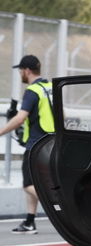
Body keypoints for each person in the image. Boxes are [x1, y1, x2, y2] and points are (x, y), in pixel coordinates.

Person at [0, 55, 53, 234]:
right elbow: (64, 115)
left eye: (21, 70)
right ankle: (30, 222)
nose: (21, 73)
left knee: (28, 185)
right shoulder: (51, 88)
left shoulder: (33, 91)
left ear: (27, 71)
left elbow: (21, 117)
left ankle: (61, 206)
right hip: (51, 144)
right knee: (35, 183)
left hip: (35, 146)